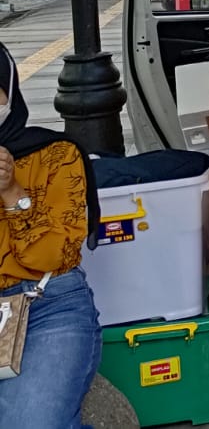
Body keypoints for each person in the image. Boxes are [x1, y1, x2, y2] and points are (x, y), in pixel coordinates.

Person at [0, 44, 102, 429]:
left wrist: (12, 194)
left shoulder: (56, 155)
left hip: (47, 304)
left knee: (30, 423)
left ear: (9, 92)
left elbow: (54, 256)